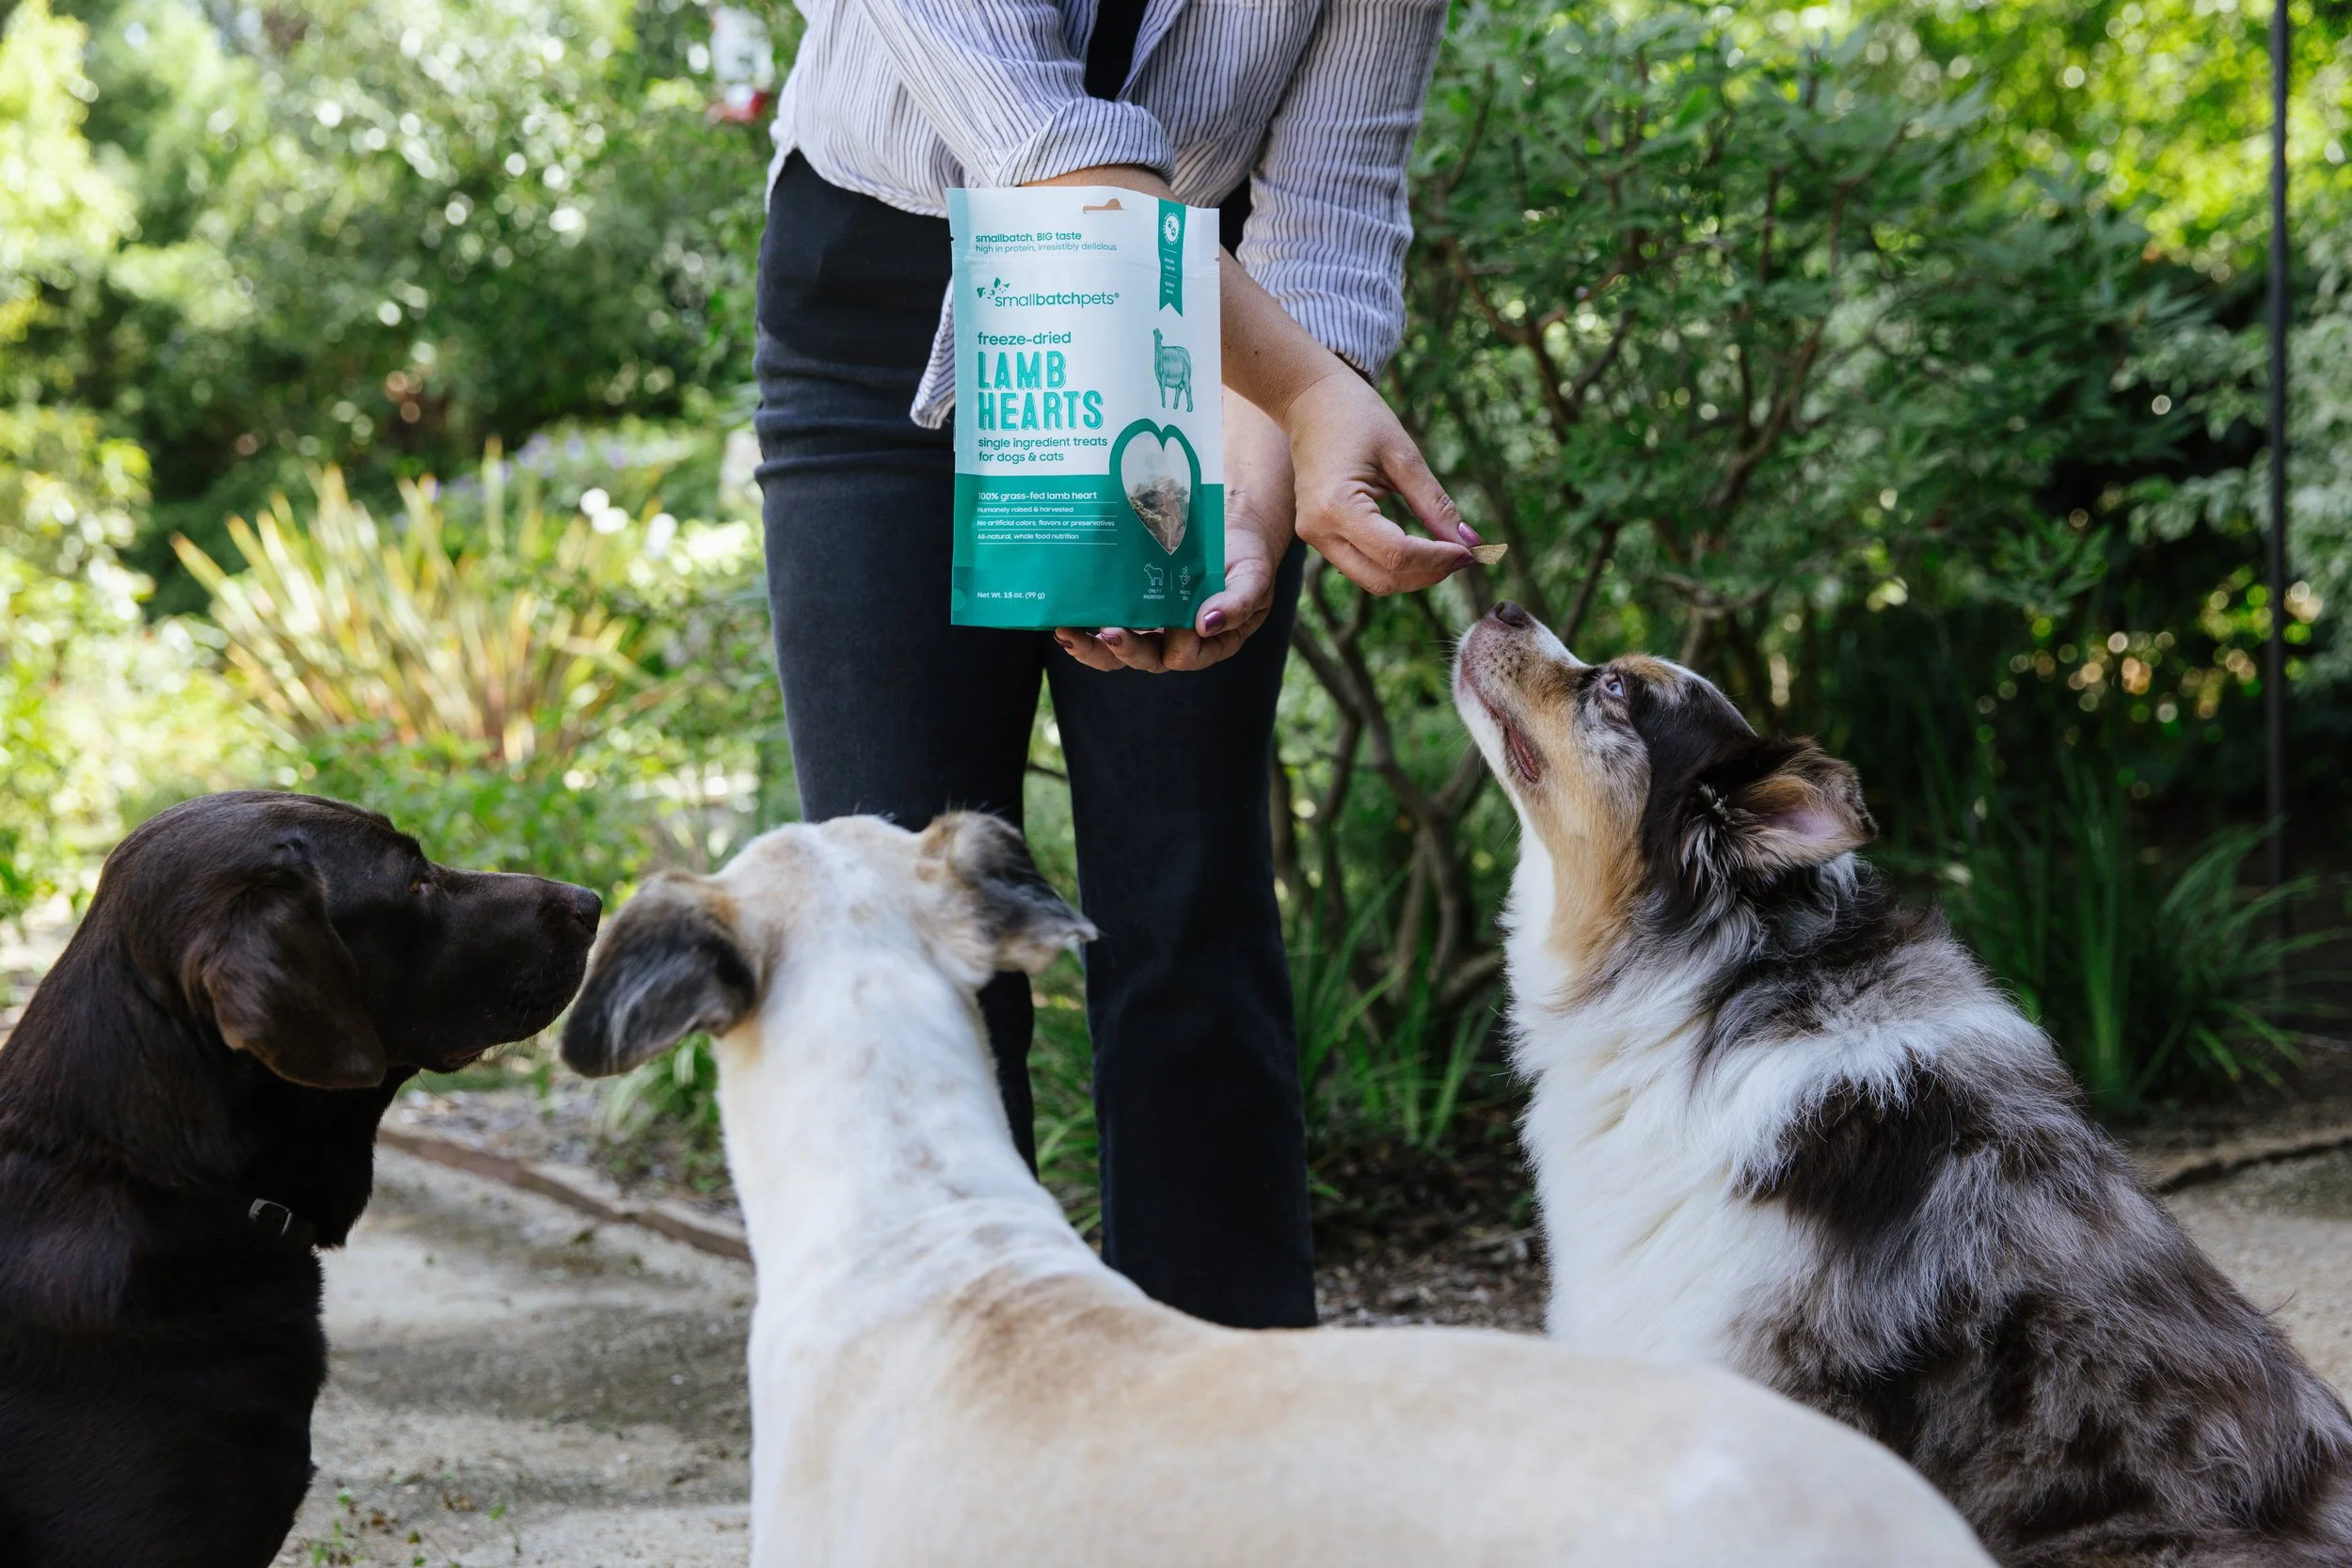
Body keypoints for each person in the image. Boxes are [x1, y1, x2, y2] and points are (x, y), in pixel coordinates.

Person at [754, 0, 1472, 1330]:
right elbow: (1038, 134)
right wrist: (1313, 397)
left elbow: (1327, 214)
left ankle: (1227, 1455)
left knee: (1188, 899)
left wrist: (1253, 511)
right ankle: (950, 1423)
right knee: (910, 912)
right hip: (881, 299)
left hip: (1208, 335)